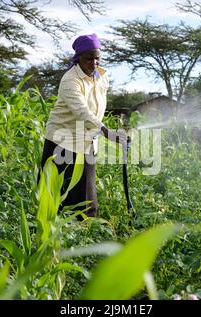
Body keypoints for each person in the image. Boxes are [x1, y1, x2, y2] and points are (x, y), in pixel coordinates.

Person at [39, 33, 127, 219]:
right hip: (62, 142)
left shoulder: (102, 77)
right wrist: (107, 132)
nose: (94, 63)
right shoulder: (70, 80)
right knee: (55, 197)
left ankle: (85, 236)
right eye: (89, 58)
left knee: (87, 200)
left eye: (97, 58)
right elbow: (82, 112)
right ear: (78, 58)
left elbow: (96, 108)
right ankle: (55, 238)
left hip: (87, 141)